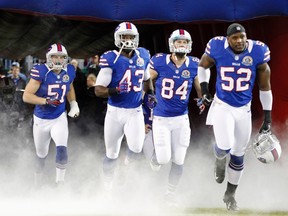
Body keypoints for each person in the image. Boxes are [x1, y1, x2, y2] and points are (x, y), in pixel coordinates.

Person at [197, 23, 273, 211]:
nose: (239, 41)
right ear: (227, 39)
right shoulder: (217, 47)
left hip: (243, 109)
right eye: (235, 38)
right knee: (224, 146)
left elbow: (265, 87)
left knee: (239, 154)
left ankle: (230, 195)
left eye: (242, 37)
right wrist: (205, 89)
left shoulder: (258, 52)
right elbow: (203, 66)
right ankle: (219, 159)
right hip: (223, 105)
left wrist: (268, 117)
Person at [94, 22, 155, 191]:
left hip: (134, 111)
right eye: (124, 37)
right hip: (115, 112)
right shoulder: (111, 58)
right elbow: (98, 90)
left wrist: (150, 94)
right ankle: (107, 185)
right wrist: (115, 90)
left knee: (136, 148)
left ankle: (124, 171)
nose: (128, 40)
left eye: (131, 37)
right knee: (111, 153)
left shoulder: (142, 55)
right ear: (117, 38)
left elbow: (146, 79)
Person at [149, 29, 205, 205]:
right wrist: (149, 94)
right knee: (164, 158)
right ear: (171, 43)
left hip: (181, 118)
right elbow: (146, 80)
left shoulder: (194, 64)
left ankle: (170, 194)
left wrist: (202, 98)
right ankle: (155, 156)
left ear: (189, 45)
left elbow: (199, 87)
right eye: (178, 42)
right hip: (161, 118)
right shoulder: (159, 61)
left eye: (184, 42)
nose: (182, 45)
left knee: (179, 158)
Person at [23, 43, 80, 186]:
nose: (58, 60)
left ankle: (60, 183)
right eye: (55, 56)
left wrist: (73, 103)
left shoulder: (69, 70)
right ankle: (37, 183)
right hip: (41, 119)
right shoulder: (41, 71)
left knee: (62, 150)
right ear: (49, 57)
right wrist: (46, 101)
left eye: (61, 57)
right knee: (41, 155)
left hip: (59, 117)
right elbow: (27, 96)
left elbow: (69, 88)